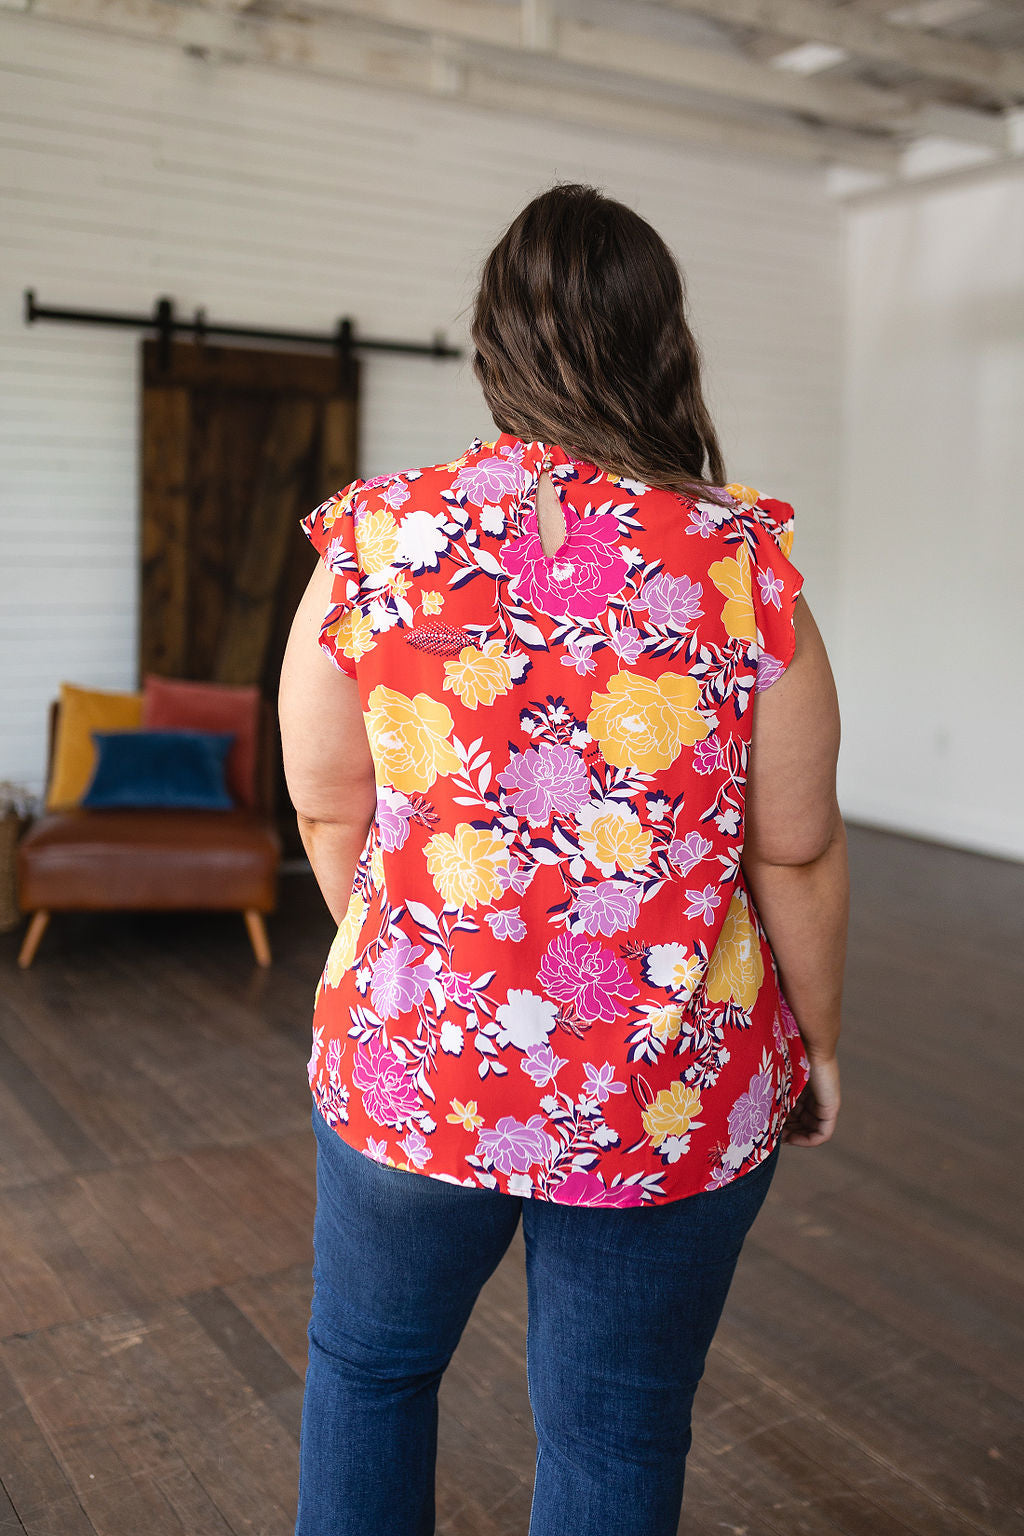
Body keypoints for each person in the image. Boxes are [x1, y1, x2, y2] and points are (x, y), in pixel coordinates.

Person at [279, 182, 848, 1536]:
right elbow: (797, 851)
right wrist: (820, 1043)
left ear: (492, 346)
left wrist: (405, 950)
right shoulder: (738, 562)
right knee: (614, 1430)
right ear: (664, 343)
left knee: (369, 1374)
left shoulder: (377, 538)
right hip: (668, 1088)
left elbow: (326, 804)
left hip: (417, 1063)